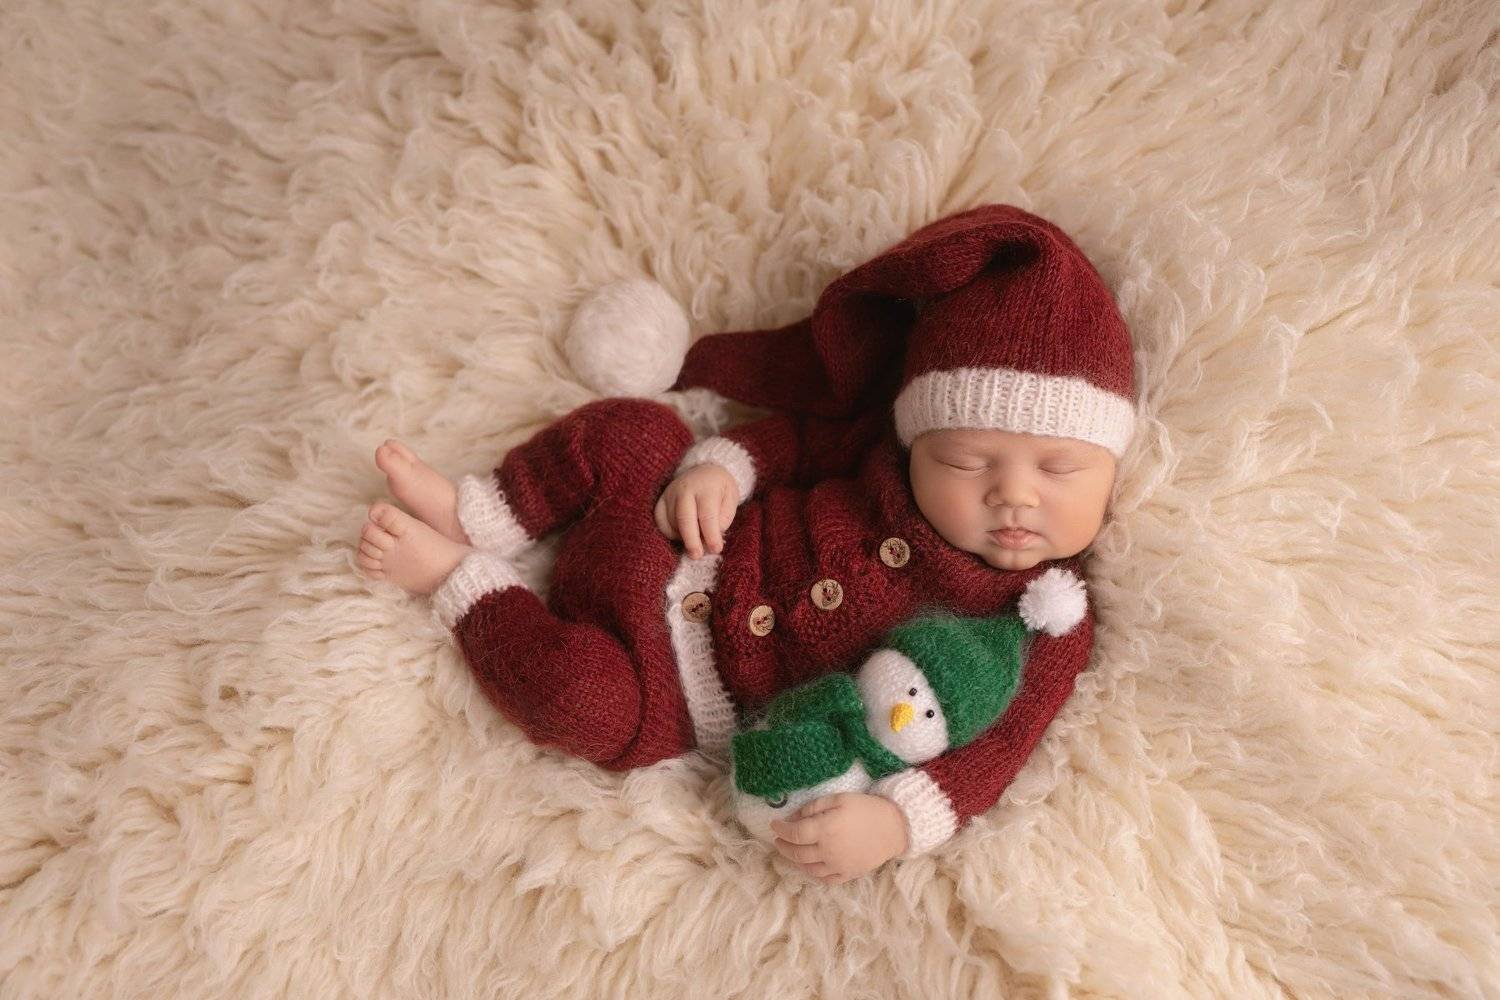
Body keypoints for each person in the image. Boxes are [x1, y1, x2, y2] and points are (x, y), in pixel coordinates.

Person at [355, 204, 1137, 884]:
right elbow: (791, 442)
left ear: (1110, 469)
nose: (1013, 494)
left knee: (580, 702)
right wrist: (720, 471)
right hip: (675, 538)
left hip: (671, 691)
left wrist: (897, 823)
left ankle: (461, 581)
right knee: (637, 432)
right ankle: (485, 515)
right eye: (966, 462)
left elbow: (999, 750)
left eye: (1059, 468)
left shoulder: (1045, 620)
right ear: (917, 441)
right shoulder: (880, 457)